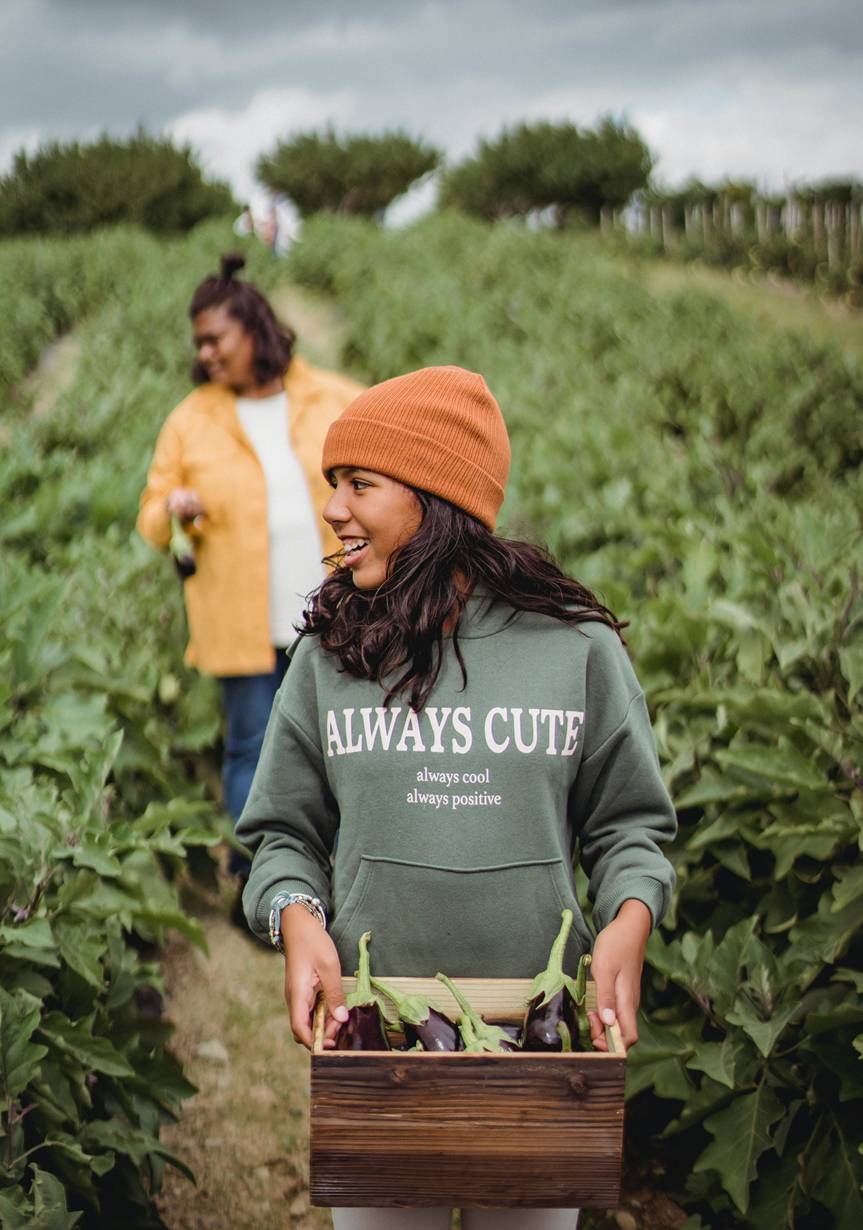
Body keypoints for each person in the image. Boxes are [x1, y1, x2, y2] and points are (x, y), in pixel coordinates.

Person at [237, 365, 677, 1229]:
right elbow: (284, 833)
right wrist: (295, 917)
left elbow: (627, 824)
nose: (333, 509)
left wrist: (629, 918)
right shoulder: (330, 658)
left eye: (359, 484)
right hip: (376, 1039)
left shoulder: (574, 649)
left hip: (539, 1041)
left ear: (435, 500)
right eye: (332, 484)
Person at [136, 254, 363, 907]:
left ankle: (339, 881)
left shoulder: (331, 397)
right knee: (253, 750)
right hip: (241, 619)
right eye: (199, 343)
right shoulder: (191, 418)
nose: (205, 353)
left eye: (216, 339)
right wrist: (173, 508)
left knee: (337, 749)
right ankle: (261, 886)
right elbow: (150, 517)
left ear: (254, 329)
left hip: (332, 613)